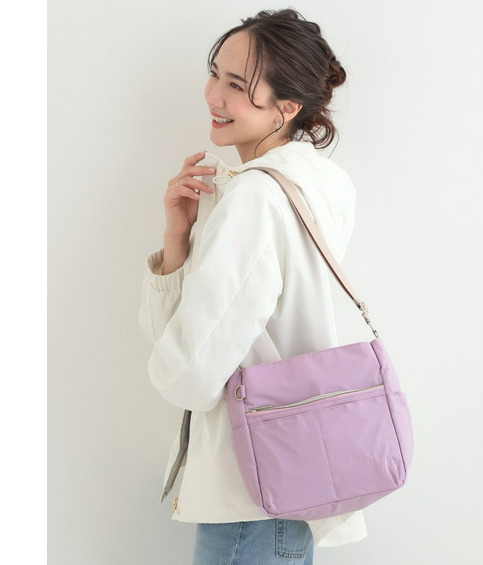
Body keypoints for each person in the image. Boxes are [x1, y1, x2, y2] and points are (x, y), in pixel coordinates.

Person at [138, 8, 367, 564]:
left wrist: (168, 365)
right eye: (214, 73)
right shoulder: (322, 183)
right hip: (291, 478)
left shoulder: (257, 198)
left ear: (287, 108)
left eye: (237, 86)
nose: (214, 95)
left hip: (249, 495)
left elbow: (191, 375)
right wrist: (179, 237)